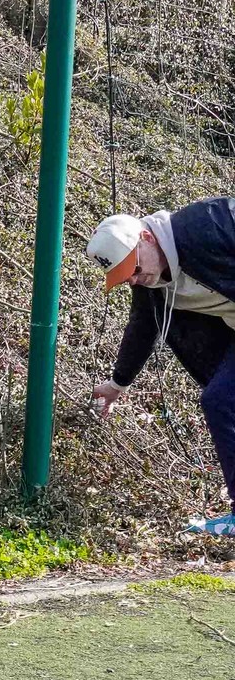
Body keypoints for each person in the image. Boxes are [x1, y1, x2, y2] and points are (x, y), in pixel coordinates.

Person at [88, 204, 235, 540]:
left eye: (135, 268)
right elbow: (141, 328)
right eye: (128, 277)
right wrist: (117, 383)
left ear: (146, 237)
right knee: (222, 402)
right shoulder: (150, 283)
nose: (137, 279)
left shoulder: (208, 224)